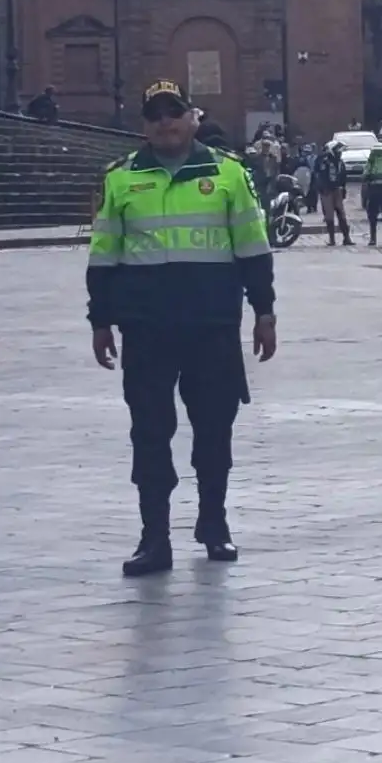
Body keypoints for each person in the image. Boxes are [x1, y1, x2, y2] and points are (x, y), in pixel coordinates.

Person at [87, 80, 276, 578]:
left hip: (211, 325)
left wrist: (264, 309)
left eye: (174, 113)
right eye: (155, 115)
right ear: (143, 124)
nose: (165, 123)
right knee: (149, 433)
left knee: (214, 430)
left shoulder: (229, 174)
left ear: (193, 117)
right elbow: (103, 255)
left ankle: (213, 522)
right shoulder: (120, 179)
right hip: (146, 329)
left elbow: (254, 247)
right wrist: (99, 319)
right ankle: (154, 539)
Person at [313, 141, 351, 245]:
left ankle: (346, 238)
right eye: (337, 151)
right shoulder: (323, 161)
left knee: (341, 214)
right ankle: (332, 239)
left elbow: (343, 176)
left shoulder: (340, 162)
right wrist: (321, 188)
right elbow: (317, 175)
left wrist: (343, 188)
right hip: (327, 191)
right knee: (329, 216)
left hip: (337, 189)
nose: (340, 153)